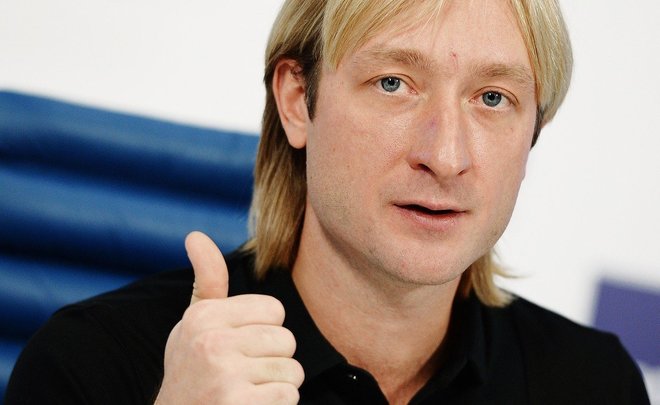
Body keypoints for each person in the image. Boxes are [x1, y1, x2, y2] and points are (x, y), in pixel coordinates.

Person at [6, 0, 650, 404]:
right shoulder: (93, 365)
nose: (446, 155)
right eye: (393, 83)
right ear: (297, 101)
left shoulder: (594, 384)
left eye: (492, 98)